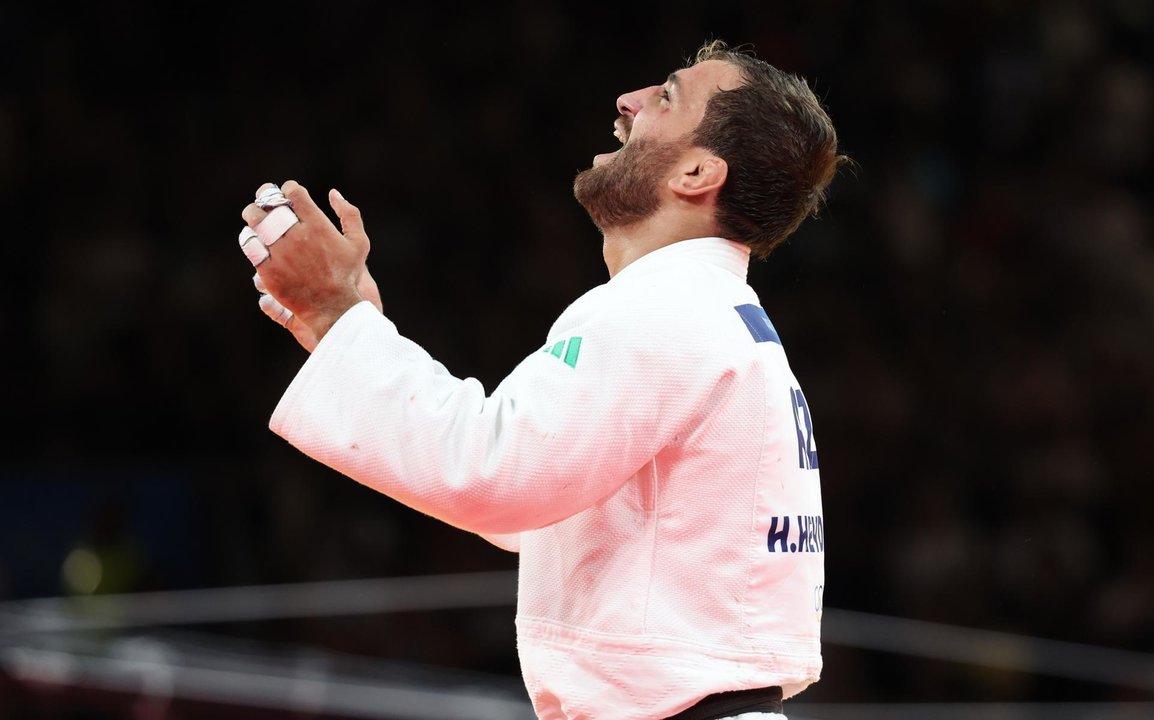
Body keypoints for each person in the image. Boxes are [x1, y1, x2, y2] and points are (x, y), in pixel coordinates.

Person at [236, 39, 842, 720]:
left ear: (699, 171)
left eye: (666, 97)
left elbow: (495, 473)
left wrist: (338, 313)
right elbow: (547, 506)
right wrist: (348, 330)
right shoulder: (713, 314)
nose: (629, 101)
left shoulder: (665, 309)